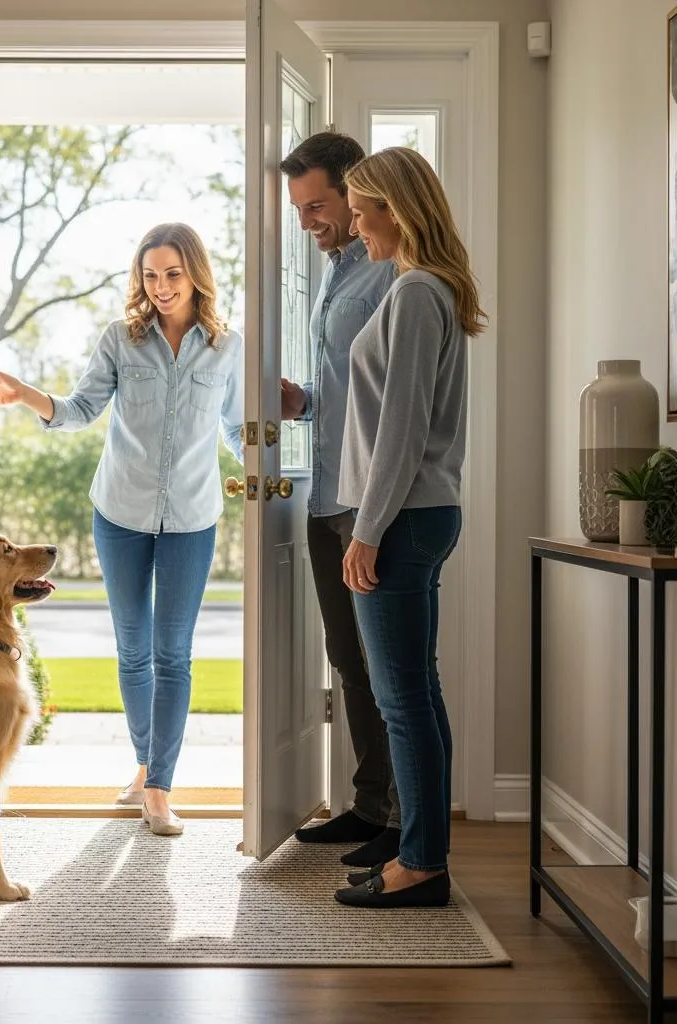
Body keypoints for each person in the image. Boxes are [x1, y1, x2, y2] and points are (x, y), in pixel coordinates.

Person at [0, 223, 243, 837]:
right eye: (150, 275)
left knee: (172, 653)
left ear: (196, 275)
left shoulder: (228, 346)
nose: (160, 286)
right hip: (120, 513)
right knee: (133, 649)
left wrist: (287, 465)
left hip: (192, 517)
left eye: (173, 274)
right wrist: (26, 395)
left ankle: (158, 786)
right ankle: (144, 764)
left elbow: (239, 431)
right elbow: (79, 412)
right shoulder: (120, 340)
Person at [332, 147, 486, 909]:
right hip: (420, 512)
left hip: (403, 516)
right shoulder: (419, 290)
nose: (356, 228)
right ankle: (425, 855)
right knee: (416, 694)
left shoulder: (418, 293)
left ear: (397, 210)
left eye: (362, 212)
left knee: (402, 700)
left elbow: (401, 428)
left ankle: (420, 864)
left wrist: (366, 530)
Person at [278, 132, 400, 870]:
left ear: (357, 196)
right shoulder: (336, 273)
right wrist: (304, 401)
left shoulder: (391, 274)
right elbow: (354, 391)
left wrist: (374, 520)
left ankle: (402, 823)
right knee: (350, 659)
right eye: (299, 207)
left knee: (388, 666)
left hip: (366, 500)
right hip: (326, 496)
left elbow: (396, 403)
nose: (306, 221)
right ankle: (369, 805)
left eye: (317, 205)